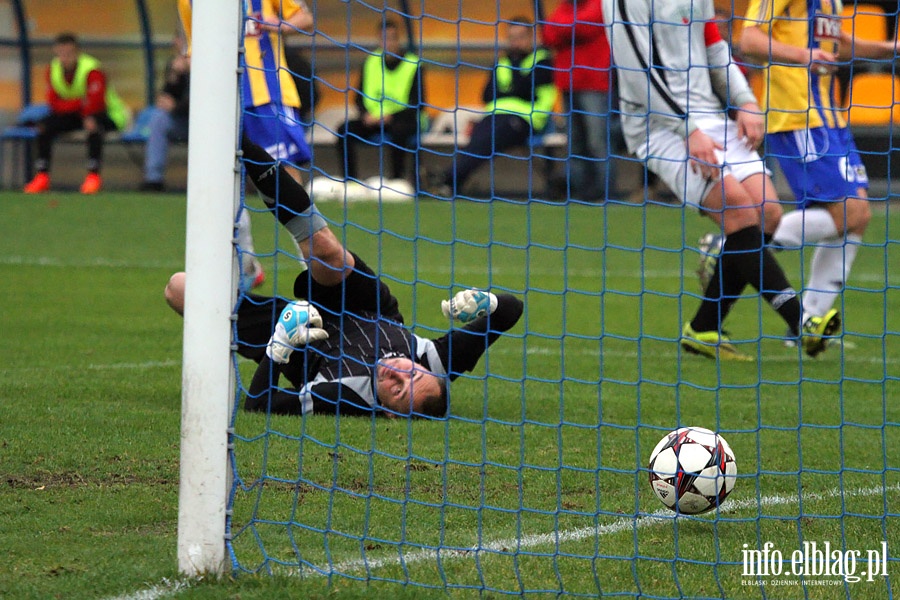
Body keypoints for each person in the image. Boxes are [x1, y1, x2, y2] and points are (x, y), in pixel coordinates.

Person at [165, 139, 524, 417]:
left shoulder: (344, 397)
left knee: (179, 290)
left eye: (397, 390)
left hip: (301, 336)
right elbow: (511, 311)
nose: (397, 374)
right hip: (365, 307)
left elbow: (260, 405)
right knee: (326, 249)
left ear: (387, 413)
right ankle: (238, 138)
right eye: (411, 374)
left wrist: (278, 348)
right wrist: (487, 302)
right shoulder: (440, 362)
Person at [602, 0, 841, 360]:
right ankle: (802, 320)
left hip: (710, 115)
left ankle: (703, 327)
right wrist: (689, 129)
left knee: (768, 215)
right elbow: (637, 72)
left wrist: (744, 101)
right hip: (657, 124)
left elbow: (715, 49)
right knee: (741, 214)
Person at [739, 0, 899, 341]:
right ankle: (733, 246)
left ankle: (806, 325)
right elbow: (749, 41)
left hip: (828, 117)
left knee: (858, 217)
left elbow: (836, 42)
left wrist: (890, 47)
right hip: (796, 115)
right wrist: (801, 56)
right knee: (848, 213)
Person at [178, 0, 314, 289]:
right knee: (224, 178)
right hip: (224, 98)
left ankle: (313, 263)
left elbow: (304, 18)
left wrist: (277, 25)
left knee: (285, 174)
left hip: (270, 93)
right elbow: (194, 46)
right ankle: (248, 263)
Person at [423, 17, 558, 198]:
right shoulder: (501, 62)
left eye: (520, 37)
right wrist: (517, 89)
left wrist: (511, 89)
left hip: (526, 119)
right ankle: (451, 181)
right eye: (512, 38)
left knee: (488, 139)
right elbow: (487, 94)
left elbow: (527, 89)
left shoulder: (542, 60)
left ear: (531, 38)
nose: (515, 42)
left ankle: (447, 177)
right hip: (495, 116)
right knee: (479, 137)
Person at [23, 33, 129, 195]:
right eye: (61, 54)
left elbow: (96, 103)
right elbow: (53, 103)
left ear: (77, 52)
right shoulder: (53, 69)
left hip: (107, 114)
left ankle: (93, 176)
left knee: (93, 125)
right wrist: (79, 103)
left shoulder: (92, 69)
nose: (65, 58)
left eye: (69, 54)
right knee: (44, 127)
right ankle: (42, 176)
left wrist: (74, 106)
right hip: (75, 114)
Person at [335, 18, 424, 186]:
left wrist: (390, 116)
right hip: (373, 119)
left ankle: (397, 181)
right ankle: (350, 181)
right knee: (344, 130)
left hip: (402, 119)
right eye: (383, 39)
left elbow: (419, 103)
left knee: (400, 132)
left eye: (391, 38)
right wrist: (365, 115)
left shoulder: (413, 64)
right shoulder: (370, 62)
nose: (388, 43)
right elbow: (358, 98)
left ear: (398, 40)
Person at [542, 0, 615, 202]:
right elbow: (548, 33)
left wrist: (562, 28)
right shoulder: (566, 6)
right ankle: (580, 194)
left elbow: (584, 27)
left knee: (597, 142)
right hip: (567, 84)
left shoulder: (600, 5)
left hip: (594, 85)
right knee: (575, 143)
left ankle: (605, 194)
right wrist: (566, 28)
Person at [139, 35, 191, 192]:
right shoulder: (175, 65)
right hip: (183, 122)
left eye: (182, 39)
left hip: (207, 125)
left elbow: (208, 101)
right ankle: (153, 179)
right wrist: (175, 75)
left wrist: (176, 106)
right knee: (159, 118)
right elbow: (166, 96)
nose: (176, 43)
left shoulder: (210, 61)